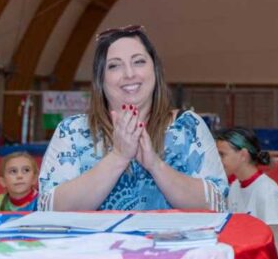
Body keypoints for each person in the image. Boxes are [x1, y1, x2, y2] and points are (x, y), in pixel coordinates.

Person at [38, 25, 228, 211]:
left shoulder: (188, 127)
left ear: (155, 69)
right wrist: (118, 157)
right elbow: (48, 208)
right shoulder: (73, 131)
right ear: (100, 79)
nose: (129, 74)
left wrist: (155, 165)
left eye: (138, 62)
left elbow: (217, 203)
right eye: (114, 66)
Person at [215, 127, 278, 259]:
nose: (217, 160)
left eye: (222, 154)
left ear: (243, 155)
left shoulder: (268, 192)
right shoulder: (234, 187)